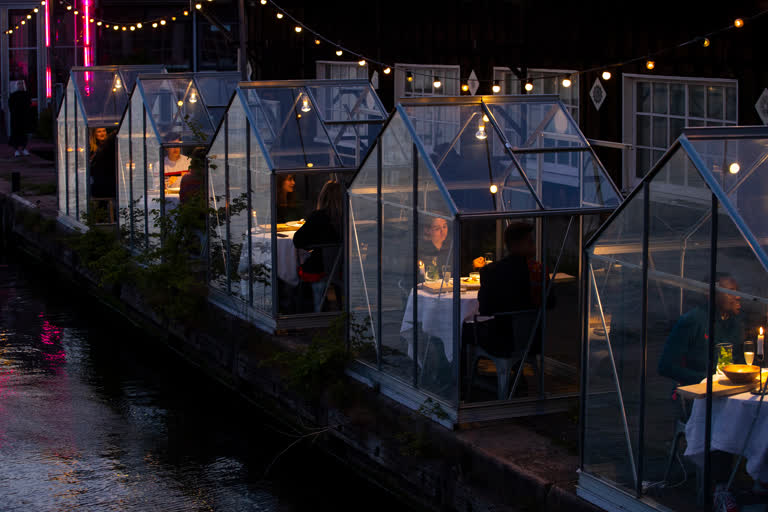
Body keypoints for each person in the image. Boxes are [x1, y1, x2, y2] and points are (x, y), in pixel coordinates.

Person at [658, 275, 744, 386]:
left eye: (738, 292)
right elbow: (666, 367)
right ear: (711, 295)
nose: (738, 297)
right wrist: (705, 380)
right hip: (700, 395)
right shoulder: (693, 321)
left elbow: (740, 360)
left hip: (729, 387)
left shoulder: (736, 323)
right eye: (731, 292)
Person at [293, 180, 343, 312]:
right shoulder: (349, 217)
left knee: (292, 267)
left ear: (323, 196)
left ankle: (299, 309)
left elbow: (298, 241)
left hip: (319, 268)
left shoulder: (319, 216)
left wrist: (312, 244)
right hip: (344, 266)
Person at [89, 127, 117, 221]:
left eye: (104, 131)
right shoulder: (92, 148)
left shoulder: (110, 145)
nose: (102, 133)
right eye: (99, 131)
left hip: (107, 180)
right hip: (100, 181)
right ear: (94, 134)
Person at [420, 217, 451, 282]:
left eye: (444, 227)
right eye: (437, 229)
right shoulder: (422, 250)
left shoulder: (451, 247)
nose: (443, 232)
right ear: (427, 230)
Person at [8, 80, 31, 157]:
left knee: (24, 134)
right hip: (16, 118)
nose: (20, 86)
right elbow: (10, 106)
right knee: (16, 134)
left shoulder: (26, 95)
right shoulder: (13, 96)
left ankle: (24, 149)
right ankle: (16, 150)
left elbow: (29, 104)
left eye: (21, 84)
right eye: (19, 84)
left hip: (24, 118)